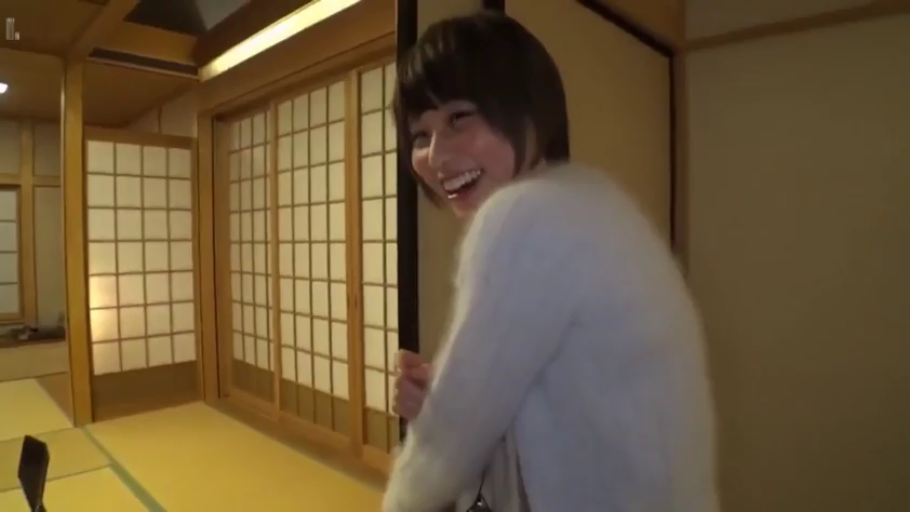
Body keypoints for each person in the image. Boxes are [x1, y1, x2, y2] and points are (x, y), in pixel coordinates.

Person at [382, 11, 718, 512]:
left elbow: (441, 453)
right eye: (419, 135)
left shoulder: (523, 215)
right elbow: (557, 410)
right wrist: (446, 399)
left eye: (458, 118)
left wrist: (437, 432)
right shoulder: (591, 198)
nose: (434, 156)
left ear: (528, 107)